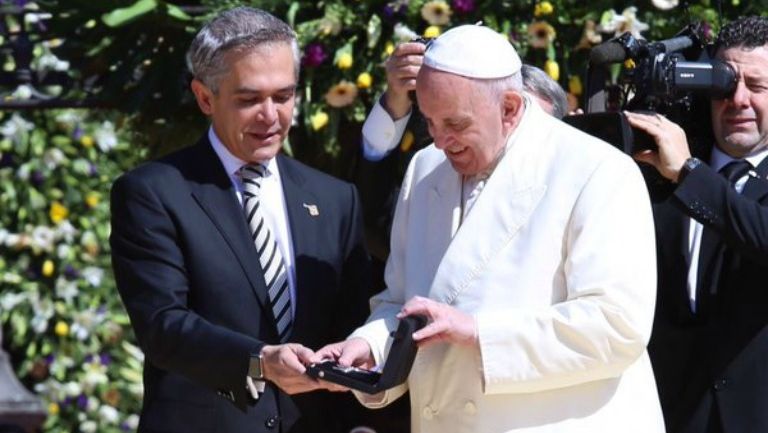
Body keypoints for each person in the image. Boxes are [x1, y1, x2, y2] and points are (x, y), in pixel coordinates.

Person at [315, 24, 664, 433]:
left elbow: (616, 326)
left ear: (511, 108)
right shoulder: (425, 168)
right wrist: (369, 345)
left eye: (457, 124)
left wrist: (479, 333)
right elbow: (403, 301)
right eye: (429, 122)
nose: (442, 142)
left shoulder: (598, 170)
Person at [110, 7, 373, 433]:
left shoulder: (335, 198)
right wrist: (259, 361)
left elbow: (356, 322)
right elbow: (162, 325)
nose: (270, 116)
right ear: (204, 97)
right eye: (249, 99)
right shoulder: (153, 193)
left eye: (283, 96)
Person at [626, 15, 768, 433]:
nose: (737, 100)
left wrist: (688, 172)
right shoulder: (658, 170)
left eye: (757, 86)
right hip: (670, 412)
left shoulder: (684, 171)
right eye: (723, 84)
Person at [361, 40, 568, 162]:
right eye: (432, 123)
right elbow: (375, 188)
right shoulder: (430, 173)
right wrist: (397, 97)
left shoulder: (578, 184)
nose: (441, 143)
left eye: (528, 123)